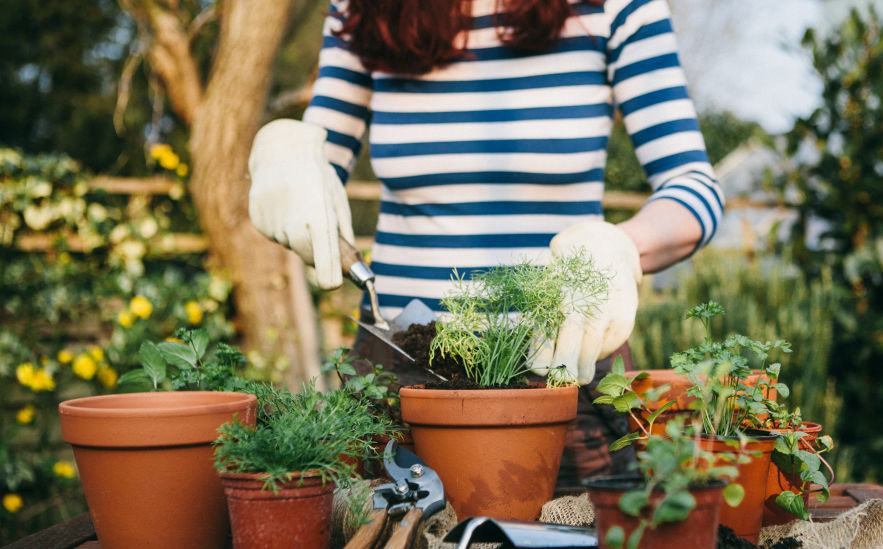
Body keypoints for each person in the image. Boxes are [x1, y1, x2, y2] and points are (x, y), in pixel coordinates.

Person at [248, 0, 722, 487]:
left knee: (574, 544)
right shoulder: (364, 8)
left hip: (561, 373)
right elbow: (317, 163)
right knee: (390, 548)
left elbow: (693, 188)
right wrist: (285, 156)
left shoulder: (616, 7)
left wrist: (622, 246)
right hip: (399, 372)